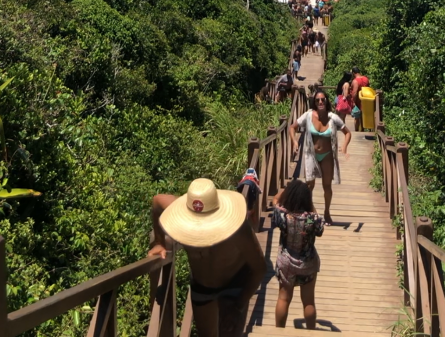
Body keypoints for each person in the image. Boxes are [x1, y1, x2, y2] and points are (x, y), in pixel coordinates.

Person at [148, 178, 266, 337]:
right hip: (202, 285)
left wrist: (238, 306)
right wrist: (159, 242)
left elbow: (259, 268)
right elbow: (157, 202)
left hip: (234, 282)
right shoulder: (175, 209)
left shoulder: (238, 229)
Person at [289, 88, 351, 225]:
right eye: (318, 100)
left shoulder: (333, 117)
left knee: (327, 186)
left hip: (327, 155)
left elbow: (348, 133)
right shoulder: (308, 115)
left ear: (327, 101)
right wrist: (294, 141)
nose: (321, 102)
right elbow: (292, 127)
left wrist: (344, 146)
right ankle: (311, 213)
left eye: (323, 99)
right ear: (314, 102)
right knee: (309, 185)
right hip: (311, 154)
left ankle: (327, 212)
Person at [271, 180, 324, 329]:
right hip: (308, 264)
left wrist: (286, 189)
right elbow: (320, 230)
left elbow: (275, 200)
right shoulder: (311, 218)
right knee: (308, 302)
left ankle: (278, 332)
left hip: (286, 263)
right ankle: (311, 332)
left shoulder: (283, 215)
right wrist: (310, 202)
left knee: (283, 299)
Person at [350, 68, 370, 132]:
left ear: (353, 73)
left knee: (357, 117)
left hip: (358, 101)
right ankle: (363, 129)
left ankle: (356, 131)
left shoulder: (355, 81)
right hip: (366, 100)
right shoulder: (366, 79)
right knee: (364, 116)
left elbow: (355, 93)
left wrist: (353, 102)